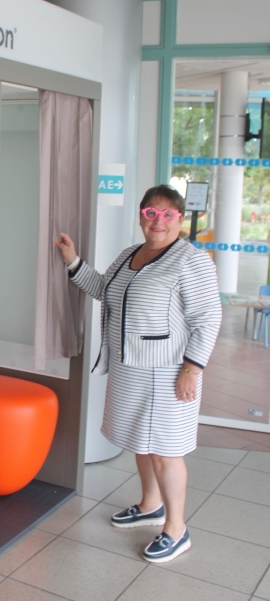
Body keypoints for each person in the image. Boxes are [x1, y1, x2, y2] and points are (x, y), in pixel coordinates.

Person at [57, 185, 221, 563]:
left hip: (167, 372)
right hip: (130, 369)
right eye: (151, 213)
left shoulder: (190, 261)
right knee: (141, 443)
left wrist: (192, 369)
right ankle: (151, 505)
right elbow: (104, 289)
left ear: (180, 219)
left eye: (167, 214)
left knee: (165, 451)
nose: (158, 221)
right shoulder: (129, 255)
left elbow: (208, 318)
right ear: (142, 216)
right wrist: (73, 261)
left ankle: (177, 529)